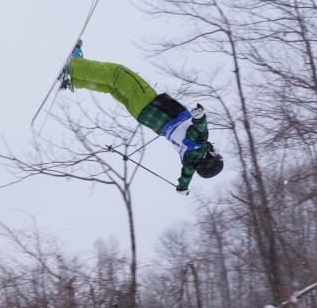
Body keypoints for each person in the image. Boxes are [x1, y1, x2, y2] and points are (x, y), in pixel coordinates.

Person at [60, 41, 223, 195]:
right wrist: (182, 187)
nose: (214, 150)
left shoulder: (199, 143)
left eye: (214, 153)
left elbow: (200, 128)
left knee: (118, 74)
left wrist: (200, 116)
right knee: (112, 87)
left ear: (208, 157)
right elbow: (187, 174)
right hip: (142, 116)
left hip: (150, 104)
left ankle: (74, 67)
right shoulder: (187, 159)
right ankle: (73, 80)